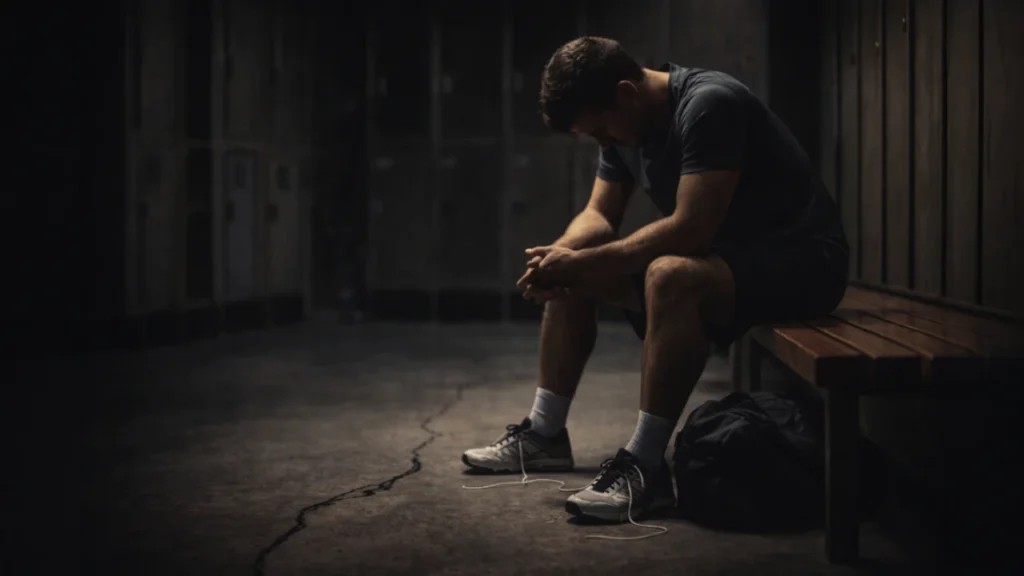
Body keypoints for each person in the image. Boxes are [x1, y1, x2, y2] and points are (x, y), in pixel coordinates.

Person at [461, 36, 849, 523]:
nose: (604, 144)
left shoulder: (709, 104)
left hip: (803, 264)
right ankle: (544, 434)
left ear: (626, 93)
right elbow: (600, 214)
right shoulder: (628, 126)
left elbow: (691, 229)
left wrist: (582, 261)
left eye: (602, 130)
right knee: (576, 269)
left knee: (668, 276)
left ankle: (646, 467)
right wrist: (558, 257)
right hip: (728, 264)